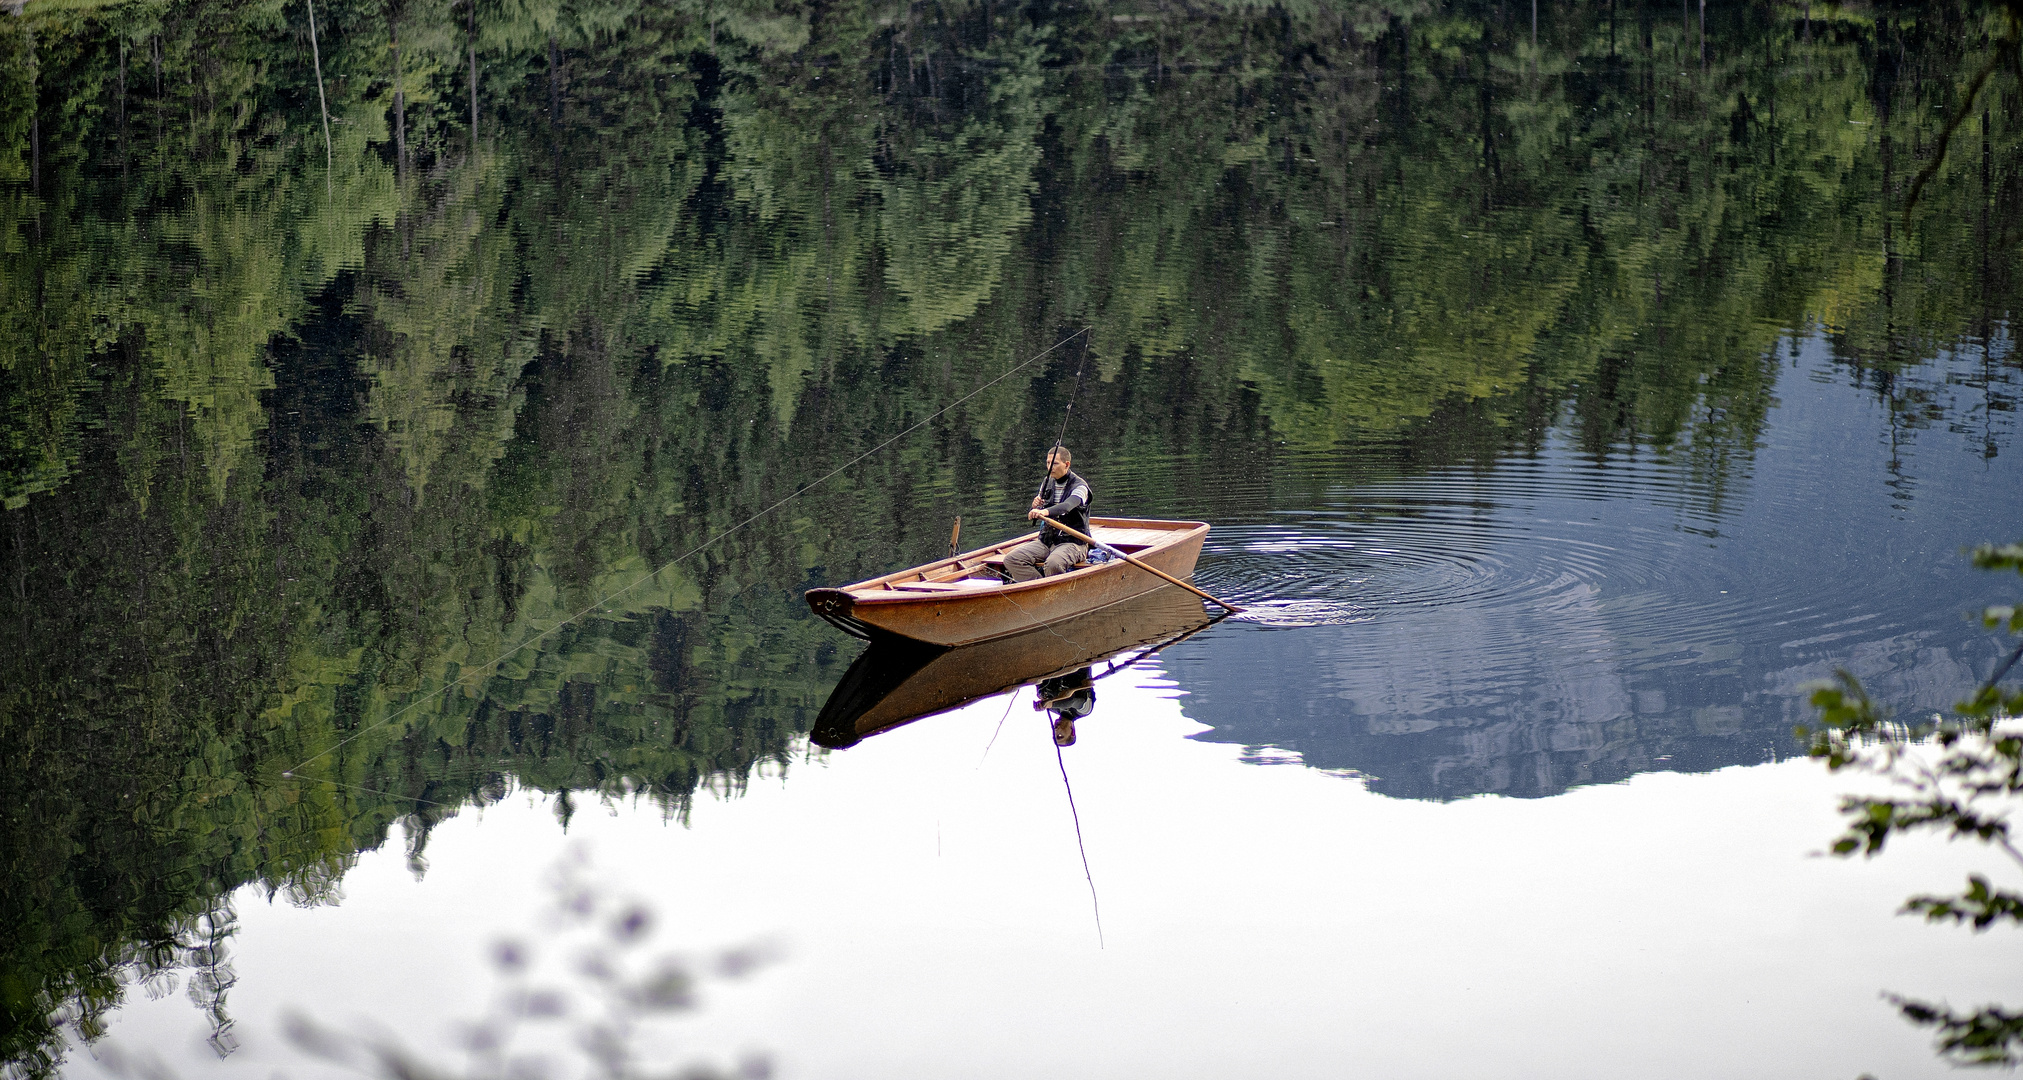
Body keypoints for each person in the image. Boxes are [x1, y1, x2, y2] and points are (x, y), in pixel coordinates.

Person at [1004, 446, 1091, 582]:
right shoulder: (1046, 482)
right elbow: (1040, 506)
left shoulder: (1080, 487)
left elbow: (1067, 506)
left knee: (1053, 564)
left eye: (1055, 463)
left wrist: (1044, 511)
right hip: (1047, 540)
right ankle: (1037, 589)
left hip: (1073, 543)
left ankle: (1053, 594)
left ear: (1067, 464)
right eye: (1048, 463)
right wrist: (1035, 506)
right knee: (1012, 559)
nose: (1050, 467)